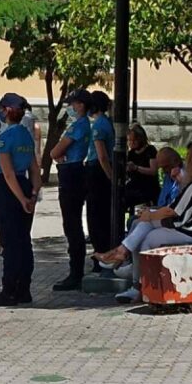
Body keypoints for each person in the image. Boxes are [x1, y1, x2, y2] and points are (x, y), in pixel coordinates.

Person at [95, 142, 192, 304]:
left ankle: (133, 274)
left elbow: (173, 211)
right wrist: (149, 215)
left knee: (148, 236)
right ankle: (127, 261)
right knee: (140, 225)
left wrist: (150, 216)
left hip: (189, 230)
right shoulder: (191, 184)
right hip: (185, 226)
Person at [0, 93, 42, 307]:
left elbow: (8, 174)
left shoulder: (5, 138)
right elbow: (34, 169)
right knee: (24, 241)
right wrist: (32, 196)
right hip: (26, 187)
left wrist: (20, 199)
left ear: (7, 110)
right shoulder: (26, 136)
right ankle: (24, 289)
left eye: (1, 108)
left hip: (9, 190)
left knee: (10, 242)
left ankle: (8, 291)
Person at [49, 89, 92, 291]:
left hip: (71, 174)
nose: (71, 108)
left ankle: (75, 273)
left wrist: (56, 153)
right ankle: (76, 270)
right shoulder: (86, 125)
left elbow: (55, 151)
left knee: (72, 224)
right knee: (72, 224)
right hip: (75, 171)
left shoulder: (78, 126)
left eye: (73, 104)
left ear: (81, 105)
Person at [85, 91, 115, 260]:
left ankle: (100, 252)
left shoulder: (98, 125)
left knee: (96, 214)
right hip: (102, 171)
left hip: (97, 171)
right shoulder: (107, 123)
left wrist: (109, 176)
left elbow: (102, 156)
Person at [125, 124, 160, 209]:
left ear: (140, 139)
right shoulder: (131, 153)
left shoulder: (150, 150)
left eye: (134, 140)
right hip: (134, 185)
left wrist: (136, 168)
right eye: (129, 140)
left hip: (147, 187)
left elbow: (153, 170)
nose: (131, 143)